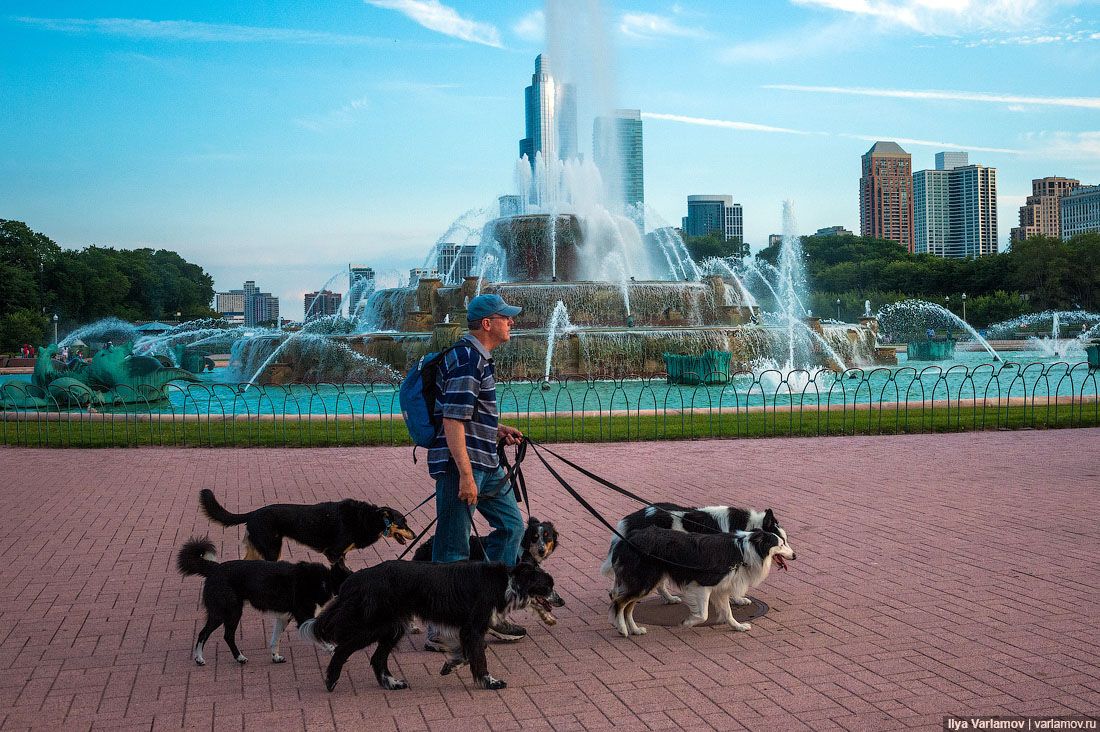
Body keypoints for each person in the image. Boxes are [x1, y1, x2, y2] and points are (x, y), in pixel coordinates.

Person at [424, 294, 526, 650]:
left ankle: (489, 610)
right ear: (487, 324)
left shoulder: (478, 358)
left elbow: (466, 415)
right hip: (463, 467)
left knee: (512, 527)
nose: (511, 322)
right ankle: (441, 630)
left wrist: (496, 430)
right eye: (506, 317)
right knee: (452, 548)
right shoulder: (467, 359)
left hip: (486, 462)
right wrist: (465, 476)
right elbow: (452, 420)